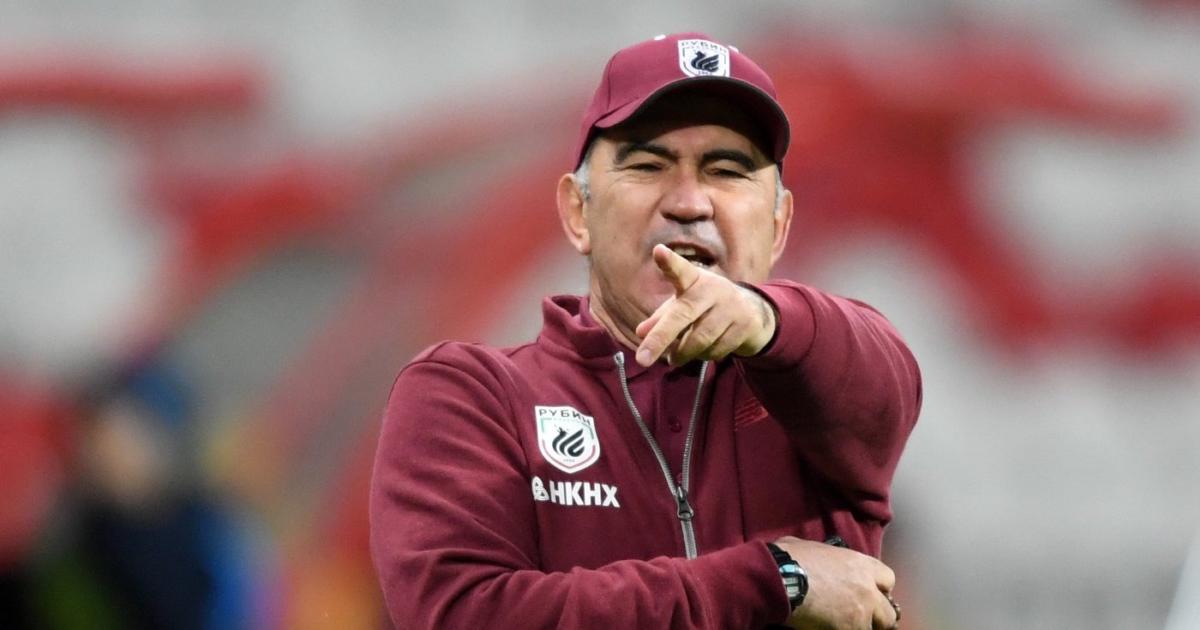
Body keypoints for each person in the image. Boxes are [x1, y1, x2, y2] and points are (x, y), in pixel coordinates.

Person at [370, 32, 921, 629]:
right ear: (578, 213)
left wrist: (764, 318)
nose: (689, 203)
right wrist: (775, 580)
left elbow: (878, 375)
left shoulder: (823, 387)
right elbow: (465, 616)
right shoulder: (471, 397)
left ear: (779, 224)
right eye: (648, 165)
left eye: (727, 170)